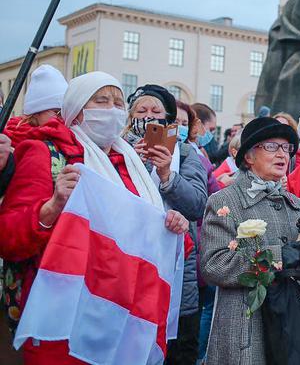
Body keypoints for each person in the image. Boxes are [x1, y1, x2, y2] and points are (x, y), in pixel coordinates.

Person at [0, 72, 189, 363]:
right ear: (76, 111)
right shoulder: (45, 153)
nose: (112, 110)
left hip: (119, 313)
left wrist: (174, 226)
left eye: (117, 102)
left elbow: (144, 234)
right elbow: (8, 237)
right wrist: (52, 207)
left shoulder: (131, 164)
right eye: (101, 101)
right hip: (68, 311)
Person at [200, 117, 300, 365]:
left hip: (296, 325)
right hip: (248, 325)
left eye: (286, 148)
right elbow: (214, 265)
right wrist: (277, 257)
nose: (282, 154)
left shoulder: (298, 206)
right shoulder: (224, 202)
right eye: (271, 146)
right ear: (249, 156)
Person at [124, 85, 208, 365]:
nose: (149, 117)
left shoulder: (184, 152)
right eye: (142, 111)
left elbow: (197, 204)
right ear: (130, 117)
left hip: (177, 270)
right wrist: (133, 162)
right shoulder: (118, 149)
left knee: (178, 349)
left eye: (156, 111)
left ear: (168, 119)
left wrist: (165, 174)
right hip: (131, 266)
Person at [1, 65, 68, 196]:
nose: (62, 119)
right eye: (57, 112)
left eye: (65, 113)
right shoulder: (7, 145)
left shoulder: (67, 142)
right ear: (36, 113)